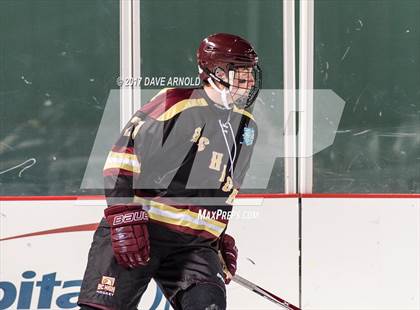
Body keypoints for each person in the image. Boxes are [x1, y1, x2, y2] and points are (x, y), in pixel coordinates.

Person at [77, 33, 262, 310]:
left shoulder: (247, 127)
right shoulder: (177, 102)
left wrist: (218, 237)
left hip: (194, 246)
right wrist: (124, 218)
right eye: (241, 73)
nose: (249, 82)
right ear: (217, 72)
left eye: (251, 74)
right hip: (142, 228)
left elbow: (226, 191)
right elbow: (121, 159)